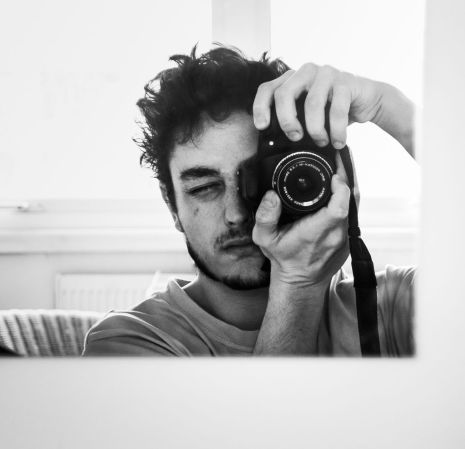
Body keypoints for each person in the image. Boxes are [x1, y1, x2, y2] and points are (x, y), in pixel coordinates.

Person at [82, 45, 415, 357]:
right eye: (204, 188)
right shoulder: (126, 342)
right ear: (172, 206)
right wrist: (298, 283)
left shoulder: (387, 308)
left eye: (257, 179)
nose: (236, 213)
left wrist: (385, 105)